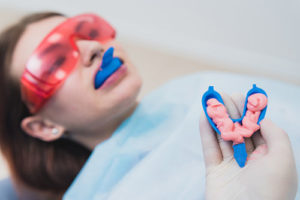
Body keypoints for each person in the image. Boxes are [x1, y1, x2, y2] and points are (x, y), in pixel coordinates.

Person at [0, 11, 297, 200]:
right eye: (55, 62)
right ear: (44, 126)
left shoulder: (197, 87)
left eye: (88, 32)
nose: (94, 48)